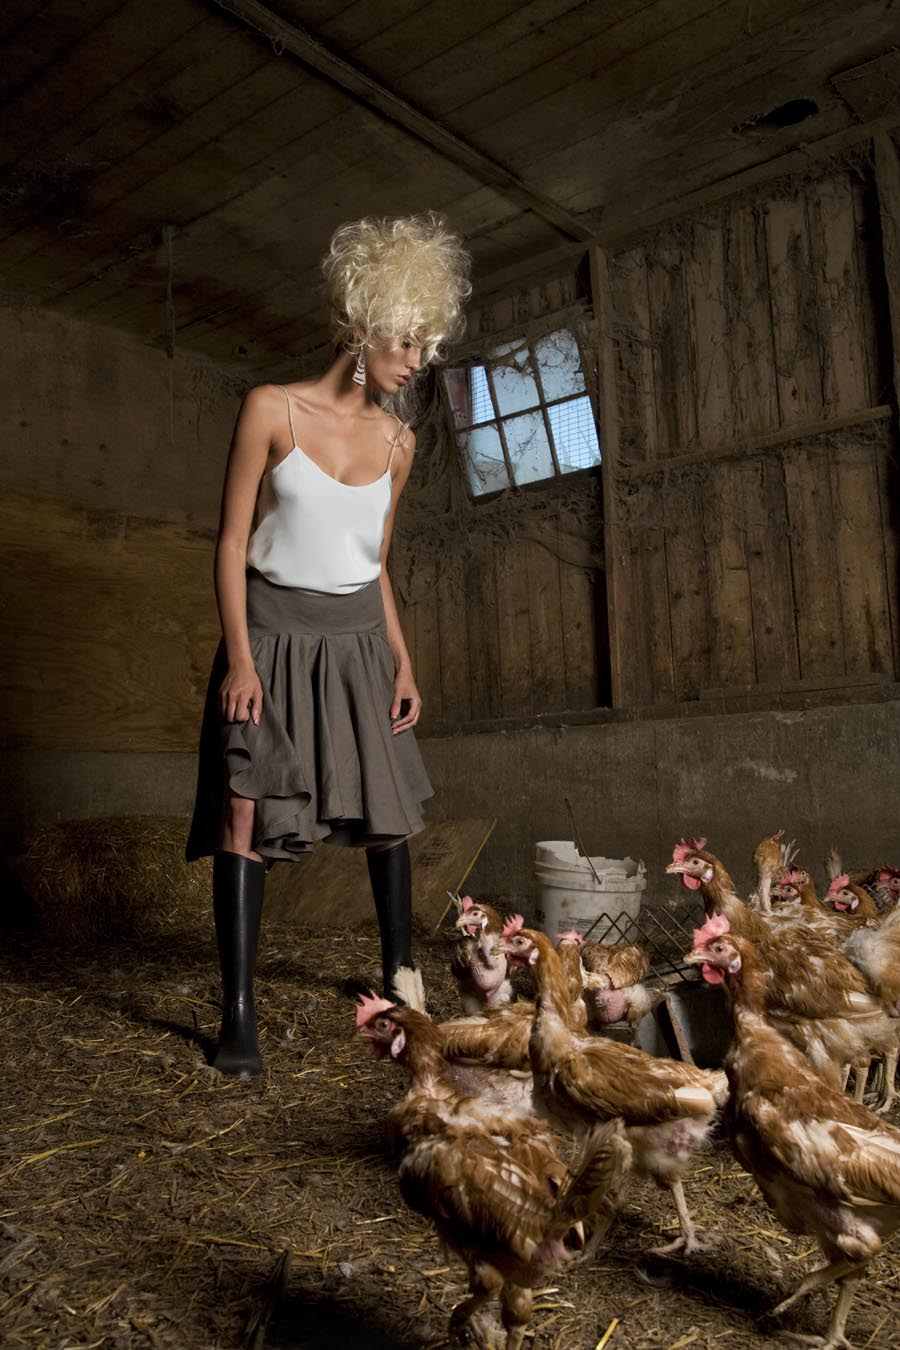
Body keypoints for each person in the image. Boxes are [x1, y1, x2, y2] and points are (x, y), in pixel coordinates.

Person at [186, 213, 471, 1077]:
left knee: (389, 810)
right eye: (406, 340)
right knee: (245, 806)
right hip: (271, 637)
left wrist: (403, 660)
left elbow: (375, 564)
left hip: (359, 642)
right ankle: (238, 1015)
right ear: (361, 325)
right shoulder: (270, 409)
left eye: (426, 344)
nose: (416, 360)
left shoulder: (399, 443)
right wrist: (240, 658)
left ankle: (400, 975)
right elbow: (230, 544)